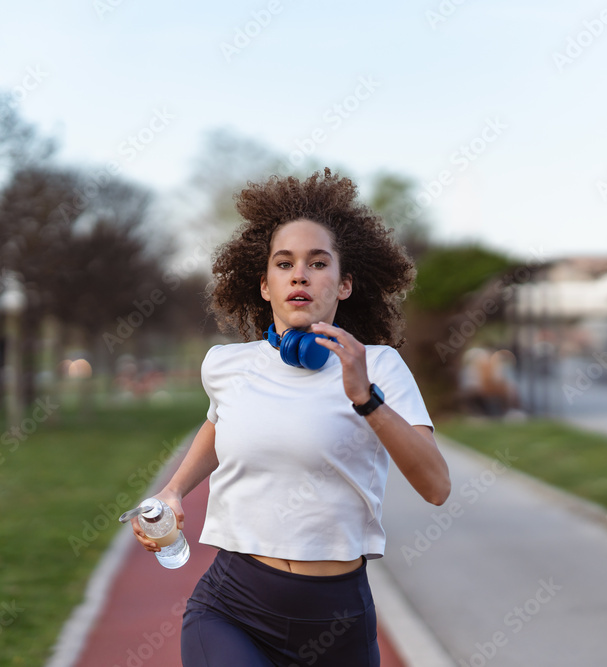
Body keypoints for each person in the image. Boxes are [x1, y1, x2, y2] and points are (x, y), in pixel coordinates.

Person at [131, 168, 451, 666]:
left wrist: (366, 399)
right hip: (232, 606)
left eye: (318, 263)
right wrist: (173, 491)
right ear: (264, 285)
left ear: (344, 285)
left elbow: (436, 487)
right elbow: (220, 425)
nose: (299, 274)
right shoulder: (226, 365)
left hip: (338, 620)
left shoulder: (379, 366)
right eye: (284, 263)